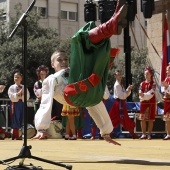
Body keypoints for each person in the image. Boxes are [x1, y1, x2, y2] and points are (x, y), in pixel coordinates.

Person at [32, 0, 128, 145]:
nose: (64, 61)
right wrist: (41, 128)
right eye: (59, 60)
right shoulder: (51, 79)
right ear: (52, 64)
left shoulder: (74, 71)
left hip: (85, 91)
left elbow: (95, 104)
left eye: (65, 59)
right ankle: (110, 26)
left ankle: (110, 26)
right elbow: (45, 102)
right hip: (72, 95)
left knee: (88, 49)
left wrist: (106, 131)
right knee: (78, 40)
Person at [109, 70, 138, 139]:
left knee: (117, 118)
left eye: (120, 74)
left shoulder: (120, 84)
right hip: (119, 104)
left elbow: (124, 94)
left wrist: (128, 90)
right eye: (118, 75)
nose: (119, 76)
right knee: (118, 118)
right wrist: (127, 91)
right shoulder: (117, 85)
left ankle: (132, 134)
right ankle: (108, 134)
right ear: (115, 76)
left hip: (120, 103)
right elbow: (121, 96)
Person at [8, 71, 30, 140]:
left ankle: (18, 134)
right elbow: (10, 95)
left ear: (21, 78)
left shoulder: (23, 87)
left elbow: (28, 96)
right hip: (15, 103)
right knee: (15, 117)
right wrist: (17, 94)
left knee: (21, 118)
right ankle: (15, 135)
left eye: (18, 77)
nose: (16, 78)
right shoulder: (12, 87)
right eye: (15, 77)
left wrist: (23, 94)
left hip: (22, 103)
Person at [138, 67, 156, 140]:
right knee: (142, 118)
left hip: (151, 103)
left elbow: (151, 93)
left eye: (147, 73)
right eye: (145, 74)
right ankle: (143, 134)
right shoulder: (142, 83)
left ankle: (149, 134)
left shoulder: (153, 83)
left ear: (151, 74)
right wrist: (141, 94)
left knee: (150, 119)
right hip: (143, 103)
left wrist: (144, 95)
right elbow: (139, 91)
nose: (146, 75)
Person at [161, 64, 170, 140]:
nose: (167, 72)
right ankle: (168, 134)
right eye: (167, 70)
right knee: (167, 118)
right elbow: (162, 89)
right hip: (167, 101)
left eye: (168, 70)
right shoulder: (166, 79)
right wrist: (165, 91)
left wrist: (168, 88)